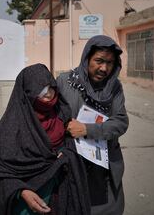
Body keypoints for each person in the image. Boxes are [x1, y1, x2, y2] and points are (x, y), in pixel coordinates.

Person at [0, 64, 91, 215]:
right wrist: (21, 191)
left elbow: (72, 144)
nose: (48, 95)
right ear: (27, 95)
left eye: (50, 88)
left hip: (62, 194)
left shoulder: (61, 113)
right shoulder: (11, 127)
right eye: (41, 91)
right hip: (26, 204)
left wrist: (66, 153)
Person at [57, 35, 129, 215]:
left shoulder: (114, 87)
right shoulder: (65, 82)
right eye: (99, 61)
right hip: (71, 163)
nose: (104, 68)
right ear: (87, 58)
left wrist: (87, 130)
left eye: (110, 63)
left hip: (103, 167)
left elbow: (120, 122)